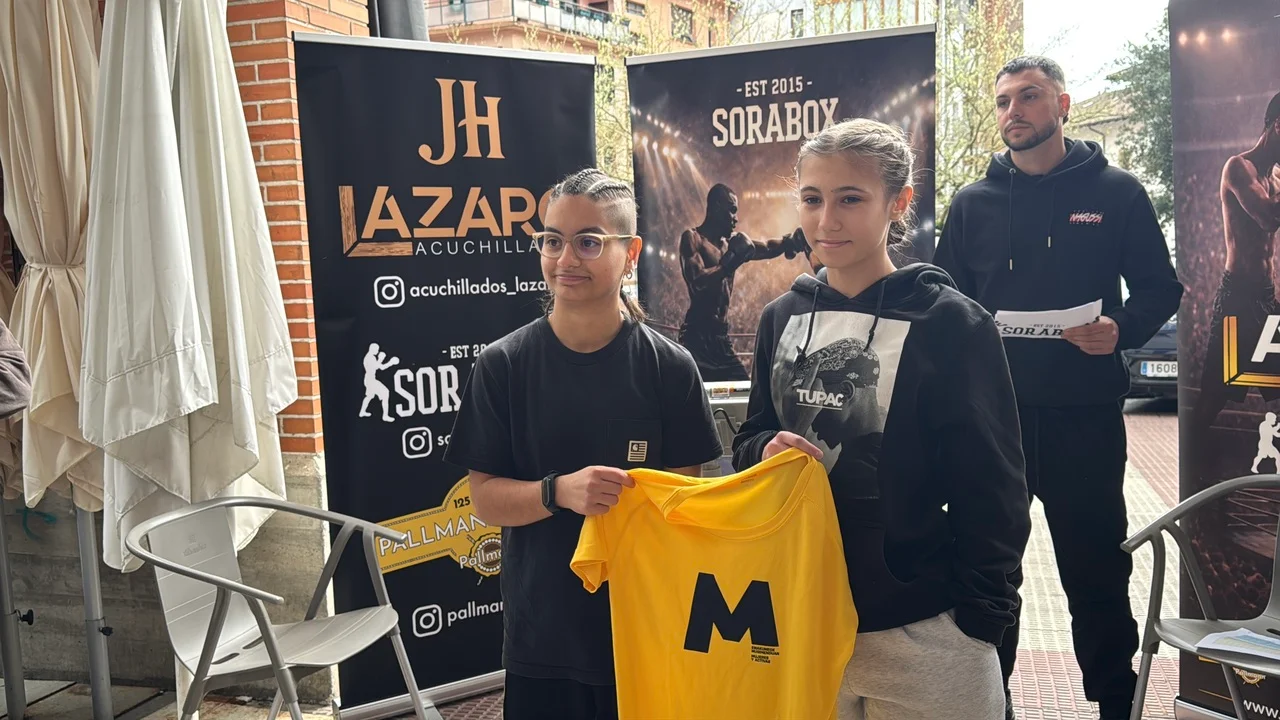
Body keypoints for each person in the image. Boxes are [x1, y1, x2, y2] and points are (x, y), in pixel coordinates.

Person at [732, 117, 1031, 720]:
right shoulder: (780, 318)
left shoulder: (952, 324)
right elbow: (748, 441)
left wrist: (981, 622)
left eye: (850, 199)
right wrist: (763, 448)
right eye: (812, 199)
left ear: (898, 203)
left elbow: (994, 488)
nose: (826, 220)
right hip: (800, 619)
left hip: (923, 628)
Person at [934, 56, 1184, 720]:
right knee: (988, 573)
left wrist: (1121, 328)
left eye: (1029, 96)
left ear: (1063, 105)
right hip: (995, 423)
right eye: (1003, 101)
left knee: (1096, 572)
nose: (1013, 111)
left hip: (1085, 419)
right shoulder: (972, 203)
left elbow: (1161, 289)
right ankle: (992, 705)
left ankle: (1114, 705)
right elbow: (944, 299)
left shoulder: (1117, 192)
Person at [443, 168, 723, 720]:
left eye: (589, 242)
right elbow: (485, 500)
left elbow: (683, 506)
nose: (565, 259)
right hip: (543, 639)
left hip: (645, 633)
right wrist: (558, 492)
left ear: (631, 252)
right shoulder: (503, 365)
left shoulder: (670, 369)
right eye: (552, 241)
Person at [1192, 91, 1280, 435]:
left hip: (1266, 298)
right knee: (1213, 396)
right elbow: (1268, 219)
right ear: (1277, 126)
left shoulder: (1274, 176)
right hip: (1237, 301)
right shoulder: (1238, 167)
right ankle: (1197, 458)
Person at [679, 183, 806, 382]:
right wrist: (730, 262)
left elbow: (766, 247)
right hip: (696, 337)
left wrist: (789, 242)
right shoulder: (692, 238)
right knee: (694, 395)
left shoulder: (730, 244)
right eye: (732, 210)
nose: (736, 218)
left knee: (744, 391)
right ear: (716, 207)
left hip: (721, 338)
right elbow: (698, 281)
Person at [358, 343, 398, 422]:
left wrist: (381, 359)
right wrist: (390, 362)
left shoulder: (370, 357)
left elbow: (377, 367)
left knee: (369, 396)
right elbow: (381, 367)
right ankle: (385, 416)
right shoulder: (370, 358)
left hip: (369, 379)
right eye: (377, 349)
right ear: (372, 349)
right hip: (371, 380)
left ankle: (362, 412)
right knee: (386, 392)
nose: (378, 351)